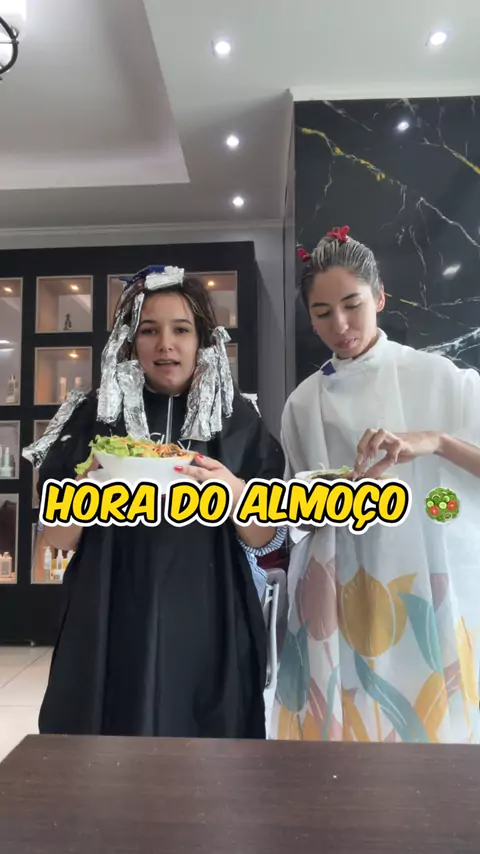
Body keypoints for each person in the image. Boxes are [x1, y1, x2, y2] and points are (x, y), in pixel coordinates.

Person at [24, 265, 285, 739]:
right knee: (106, 748)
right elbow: (57, 539)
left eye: (181, 330)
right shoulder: (93, 416)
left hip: (211, 613)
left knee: (207, 753)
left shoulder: (237, 419)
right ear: (130, 341)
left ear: (203, 340)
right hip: (108, 608)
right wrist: (85, 488)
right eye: (149, 330)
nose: (166, 344)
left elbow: (263, 538)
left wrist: (235, 492)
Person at [270, 226, 480, 744]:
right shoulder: (303, 402)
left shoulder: (438, 377)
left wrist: (436, 441)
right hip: (335, 591)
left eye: (352, 305)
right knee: (341, 747)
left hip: (424, 581)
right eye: (323, 312)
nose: (340, 325)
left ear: (380, 297)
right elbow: (296, 517)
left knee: (428, 731)